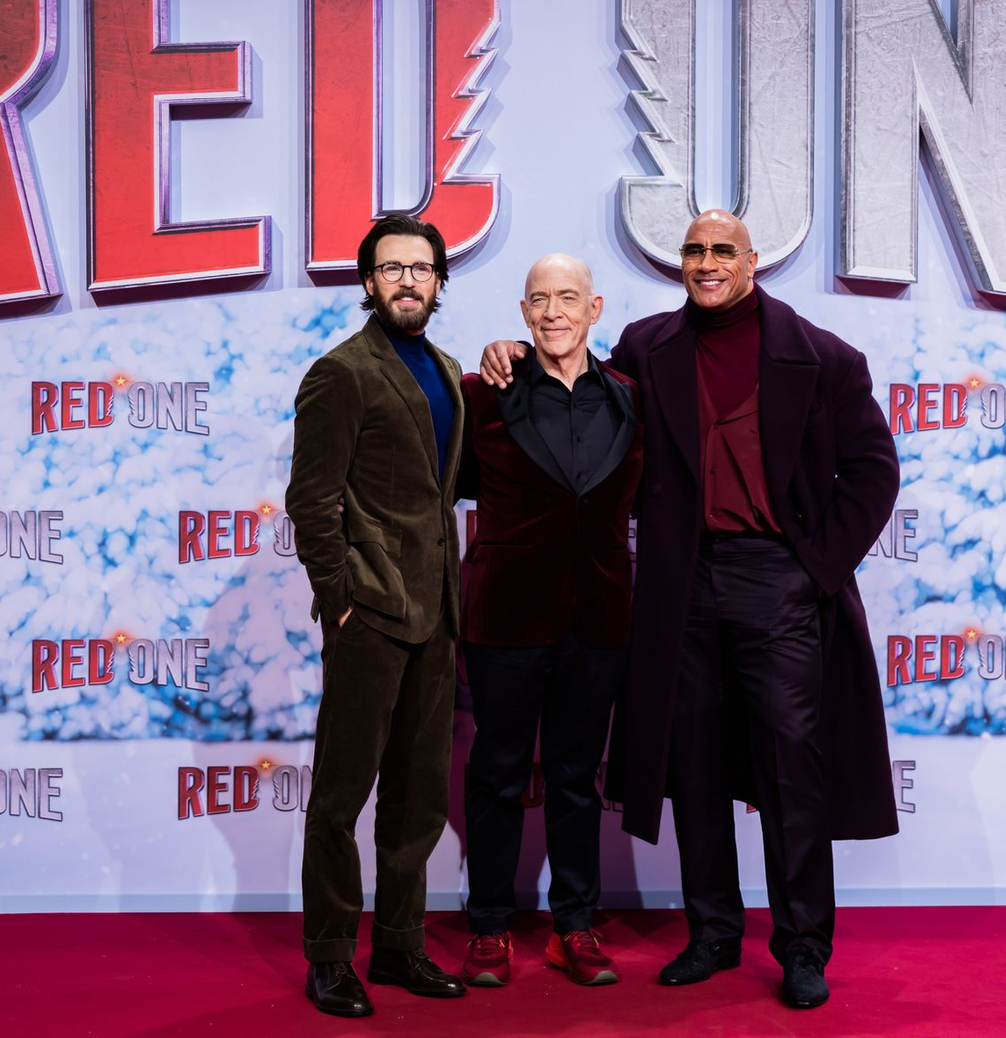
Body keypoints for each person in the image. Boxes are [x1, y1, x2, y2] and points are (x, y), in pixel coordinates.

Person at [480, 210, 900, 1010]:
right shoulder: (647, 347)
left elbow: (875, 470)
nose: (706, 262)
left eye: (722, 250)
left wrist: (814, 567)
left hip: (778, 580)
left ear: (751, 261)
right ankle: (712, 931)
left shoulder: (825, 356)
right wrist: (513, 352)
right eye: (694, 250)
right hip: (682, 584)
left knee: (791, 768)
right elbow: (579, 388)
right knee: (696, 763)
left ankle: (802, 944)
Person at [286, 215, 467, 1018]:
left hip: (438, 613)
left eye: (419, 268)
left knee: (418, 798)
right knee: (339, 798)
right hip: (370, 614)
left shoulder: (448, 370)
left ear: (438, 281)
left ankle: (398, 944)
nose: (406, 281)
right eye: (390, 268)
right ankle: (330, 955)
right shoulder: (342, 372)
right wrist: (341, 602)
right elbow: (310, 500)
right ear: (368, 283)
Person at [457, 255, 643, 989]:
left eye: (569, 297)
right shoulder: (484, 393)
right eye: (540, 299)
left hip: (598, 617)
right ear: (523, 312)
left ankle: (575, 925)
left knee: (575, 780)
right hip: (504, 616)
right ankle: (489, 927)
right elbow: (446, 487)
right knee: (497, 773)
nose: (554, 311)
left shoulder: (631, 397)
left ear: (595, 308)